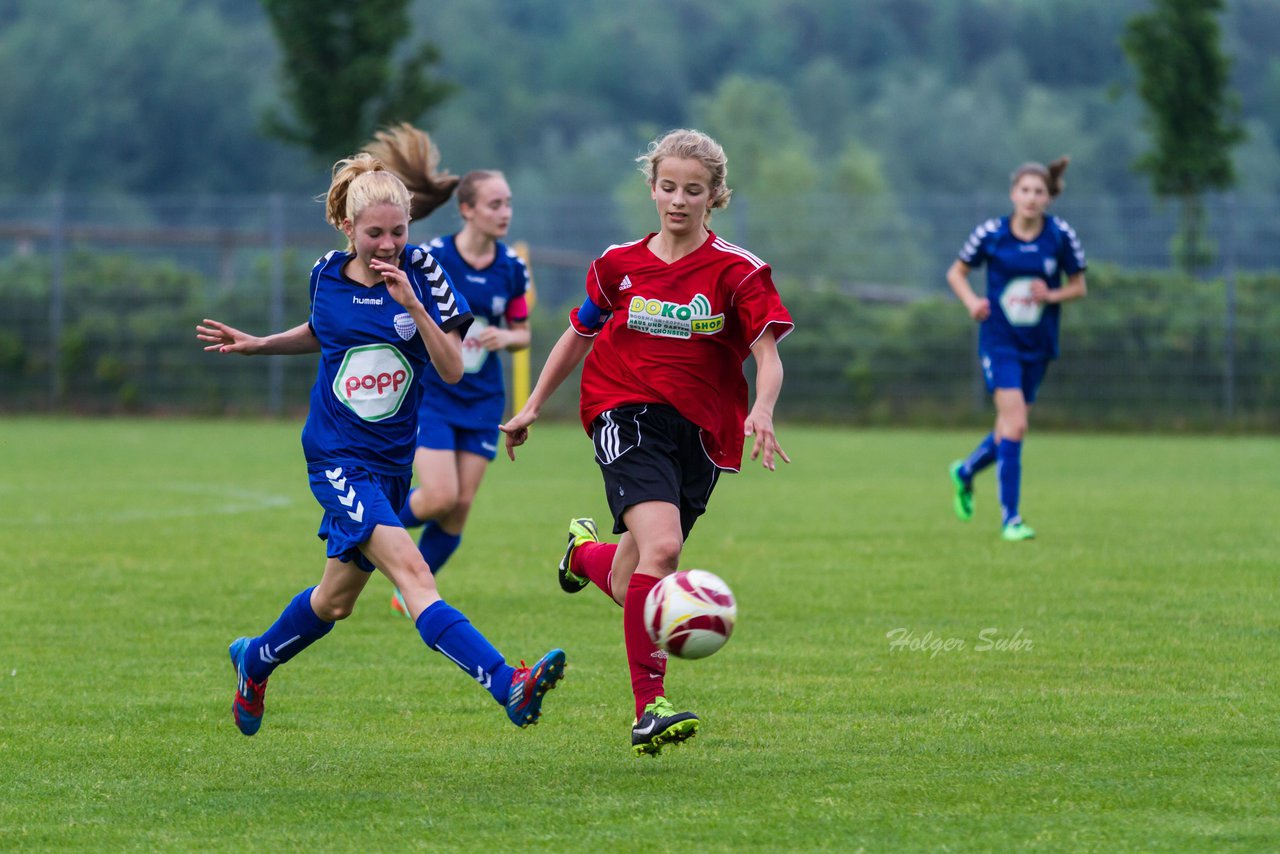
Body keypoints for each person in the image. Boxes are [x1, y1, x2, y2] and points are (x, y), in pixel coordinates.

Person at [195, 152, 564, 737]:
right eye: (375, 233)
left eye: (398, 231)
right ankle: (507, 683)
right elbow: (323, 331)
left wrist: (413, 305)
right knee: (416, 575)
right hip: (338, 458)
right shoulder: (325, 272)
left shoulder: (425, 273)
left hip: (393, 462)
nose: (388, 244)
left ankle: (255, 660)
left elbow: (451, 370)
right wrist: (259, 344)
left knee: (334, 601)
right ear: (348, 228)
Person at [499, 129, 793, 757]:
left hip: (703, 433)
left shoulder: (738, 272)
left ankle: (584, 557)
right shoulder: (617, 266)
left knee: (637, 571)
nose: (678, 200)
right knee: (664, 550)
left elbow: (767, 356)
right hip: (624, 409)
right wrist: (532, 405)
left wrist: (763, 408)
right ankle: (647, 708)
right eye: (667, 187)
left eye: (693, 190)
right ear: (652, 188)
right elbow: (577, 336)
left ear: (715, 196)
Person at [362, 124, 532, 613]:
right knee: (438, 497)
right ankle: (365, 530)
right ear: (467, 210)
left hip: (482, 401)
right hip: (434, 392)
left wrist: (508, 336)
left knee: (458, 510)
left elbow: (523, 334)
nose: (505, 213)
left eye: (508, 204)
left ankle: (409, 592)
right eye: (495, 204)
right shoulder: (432, 257)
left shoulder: (511, 267)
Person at [944, 157, 1088, 541]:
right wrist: (972, 302)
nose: (1031, 197)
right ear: (1013, 194)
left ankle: (965, 471)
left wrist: (1052, 293)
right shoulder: (992, 233)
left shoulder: (1059, 236)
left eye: (1038, 192)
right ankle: (1011, 519)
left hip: (1038, 344)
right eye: (1024, 190)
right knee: (1018, 425)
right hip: (999, 342)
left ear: (1048, 198)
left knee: (1007, 428)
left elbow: (1079, 286)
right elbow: (956, 272)